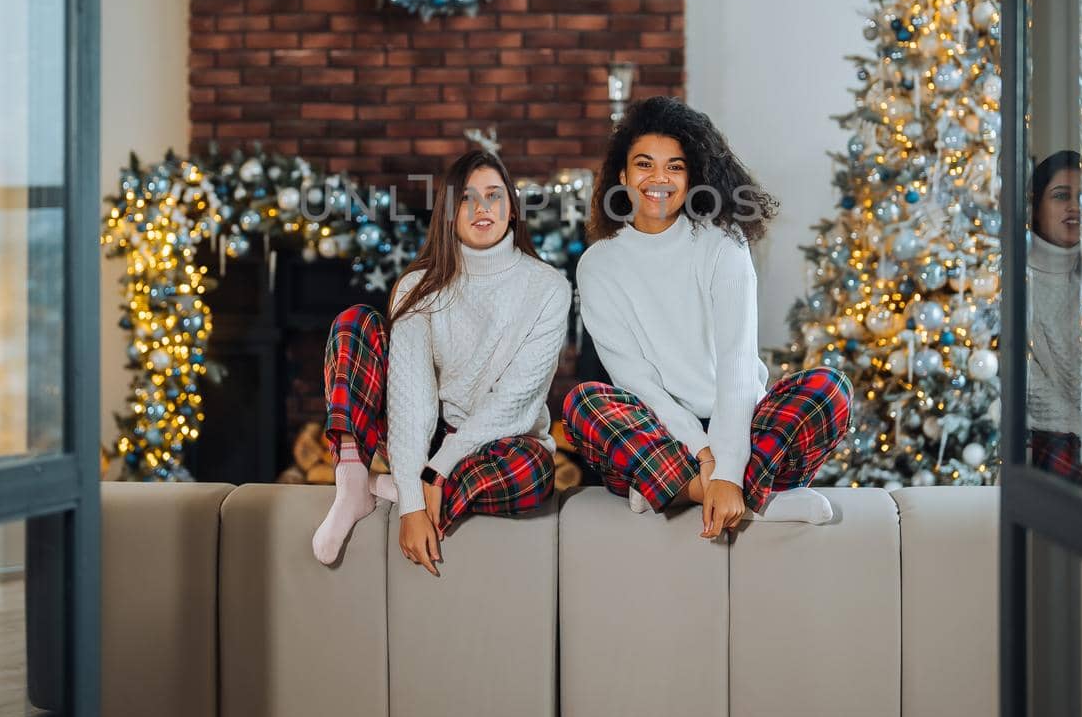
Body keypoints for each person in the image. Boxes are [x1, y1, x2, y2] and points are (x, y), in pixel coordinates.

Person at [563, 96, 852, 539]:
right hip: (662, 433)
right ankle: (749, 499)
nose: (659, 178)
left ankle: (677, 491)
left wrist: (729, 467)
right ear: (622, 176)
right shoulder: (598, 265)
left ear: (692, 176)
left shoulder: (723, 243)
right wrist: (706, 460)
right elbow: (637, 384)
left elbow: (737, 363)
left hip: (741, 425)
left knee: (828, 389)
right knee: (584, 404)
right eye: (644, 164)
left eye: (675, 167)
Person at [311, 150, 571, 571]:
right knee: (354, 322)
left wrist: (434, 474)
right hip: (424, 435)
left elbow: (516, 401)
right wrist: (413, 506)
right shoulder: (419, 286)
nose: (481, 208)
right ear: (449, 214)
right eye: (467, 198)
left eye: (493, 195)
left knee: (534, 470)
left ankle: (392, 487)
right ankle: (353, 484)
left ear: (512, 210)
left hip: (499, 443)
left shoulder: (547, 288)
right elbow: (411, 401)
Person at [1026, 149, 1082, 494]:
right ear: (1035, 207)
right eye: (1061, 196)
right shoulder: (1018, 281)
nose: (1074, 207)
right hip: (1049, 435)